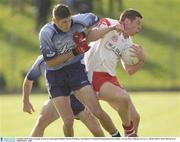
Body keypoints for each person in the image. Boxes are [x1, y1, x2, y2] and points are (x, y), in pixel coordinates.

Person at [39, 4, 123, 137]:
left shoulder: (79, 20)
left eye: (68, 20)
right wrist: (75, 51)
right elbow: (50, 62)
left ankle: (116, 136)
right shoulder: (46, 33)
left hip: (75, 70)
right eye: (63, 22)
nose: (67, 25)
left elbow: (95, 20)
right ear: (54, 21)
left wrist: (84, 33)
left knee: (97, 111)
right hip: (56, 76)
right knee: (68, 121)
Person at [84, 8, 145, 136]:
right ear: (127, 21)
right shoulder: (108, 22)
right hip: (95, 73)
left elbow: (129, 70)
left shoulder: (128, 42)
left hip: (110, 78)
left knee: (135, 117)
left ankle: (130, 136)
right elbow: (89, 37)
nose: (140, 27)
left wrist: (141, 60)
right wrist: (112, 28)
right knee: (123, 98)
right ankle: (128, 131)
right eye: (138, 23)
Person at [22, 55, 103, 137]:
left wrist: (89, 99)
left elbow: (88, 74)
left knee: (96, 129)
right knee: (41, 122)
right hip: (57, 99)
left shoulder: (72, 54)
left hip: (78, 97)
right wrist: (25, 101)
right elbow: (29, 79)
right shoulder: (41, 61)